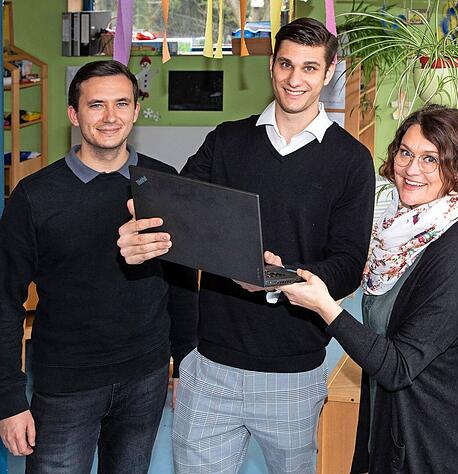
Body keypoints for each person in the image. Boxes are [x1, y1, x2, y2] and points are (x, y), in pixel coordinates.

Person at [116, 18, 375, 473]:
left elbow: (349, 264)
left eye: (310, 68)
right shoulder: (226, 140)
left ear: (330, 71)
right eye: (286, 65)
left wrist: (277, 278)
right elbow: (180, 217)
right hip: (210, 367)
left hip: (294, 372)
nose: (295, 79)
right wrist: (144, 227)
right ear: (271, 66)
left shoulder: (352, 160)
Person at [280, 105, 458, 473]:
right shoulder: (399, 233)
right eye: (406, 152)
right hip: (395, 417)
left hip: (440, 441)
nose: (412, 169)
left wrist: (325, 307)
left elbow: (399, 365)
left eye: (431, 159)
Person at [0, 60, 197, 472]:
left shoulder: (163, 183)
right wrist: (9, 399)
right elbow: (5, 302)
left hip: (146, 377)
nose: (111, 117)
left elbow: (181, 284)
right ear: (74, 115)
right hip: (65, 386)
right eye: (96, 105)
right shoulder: (34, 197)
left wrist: (184, 365)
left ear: (136, 110)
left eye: (122, 103)